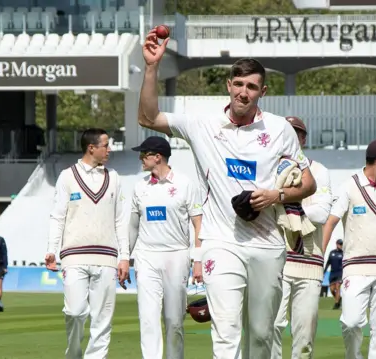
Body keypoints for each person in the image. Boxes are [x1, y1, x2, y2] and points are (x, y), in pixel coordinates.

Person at [137, 27, 317, 359]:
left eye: (251, 87)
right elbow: (147, 117)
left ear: (262, 91)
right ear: (228, 86)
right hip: (221, 241)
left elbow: (309, 184)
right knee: (226, 330)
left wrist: (274, 196)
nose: (243, 92)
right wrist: (151, 67)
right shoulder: (202, 125)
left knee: (263, 335)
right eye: (238, 84)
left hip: (267, 245)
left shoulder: (280, 130)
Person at [45, 128, 130, 359]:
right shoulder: (67, 176)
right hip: (74, 256)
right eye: (105, 145)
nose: (109, 150)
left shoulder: (114, 177)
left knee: (102, 320)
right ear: (91, 148)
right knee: (74, 312)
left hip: (107, 257)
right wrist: (51, 250)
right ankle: (73, 354)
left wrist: (125, 256)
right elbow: (58, 216)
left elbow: (121, 219)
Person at [322, 139, 376, 359]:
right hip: (355, 267)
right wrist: (318, 256)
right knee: (350, 322)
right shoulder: (350, 185)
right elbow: (331, 222)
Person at [129, 136, 203, 359]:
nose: (141, 158)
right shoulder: (139, 186)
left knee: (174, 320)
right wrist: (123, 257)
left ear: (157, 157)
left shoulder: (185, 184)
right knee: (148, 318)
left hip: (177, 255)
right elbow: (132, 227)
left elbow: (198, 224)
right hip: (146, 256)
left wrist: (198, 260)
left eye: (144, 154)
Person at [271, 116, 332, 359]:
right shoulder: (267, 169)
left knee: (304, 337)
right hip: (276, 261)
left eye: (296, 133)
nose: (291, 138)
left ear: (303, 138)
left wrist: (285, 202)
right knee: (270, 328)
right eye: (286, 132)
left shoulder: (319, 171)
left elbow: (321, 212)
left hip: (309, 261)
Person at [323, 239, 344, 310]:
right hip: (332, 273)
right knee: (332, 289)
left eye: (341, 244)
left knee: (338, 288)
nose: (340, 246)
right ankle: (338, 299)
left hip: (340, 273)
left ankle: (336, 304)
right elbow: (328, 262)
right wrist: (324, 272)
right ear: (337, 244)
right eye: (339, 244)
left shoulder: (343, 253)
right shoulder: (332, 253)